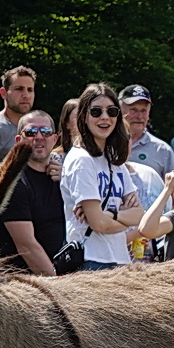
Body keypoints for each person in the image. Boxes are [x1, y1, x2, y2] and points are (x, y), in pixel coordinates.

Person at [60, 83, 143, 271]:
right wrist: (123, 218)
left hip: (120, 259)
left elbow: (139, 214)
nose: (105, 117)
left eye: (111, 111)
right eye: (96, 112)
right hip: (90, 260)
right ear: (84, 116)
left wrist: (110, 215)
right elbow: (98, 224)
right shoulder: (81, 159)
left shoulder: (115, 161)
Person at [0, 112, 67, 275]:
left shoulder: (63, 178)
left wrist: (67, 180)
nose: (39, 137)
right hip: (20, 282)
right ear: (18, 140)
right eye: (31, 132)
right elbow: (26, 246)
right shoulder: (13, 183)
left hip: (63, 273)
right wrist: (57, 282)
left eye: (45, 131)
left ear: (54, 139)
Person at [118, 84, 174, 177]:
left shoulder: (162, 150)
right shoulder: (106, 144)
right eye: (133, 110)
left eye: (143, 111)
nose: (139, 116)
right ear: (119, 111)